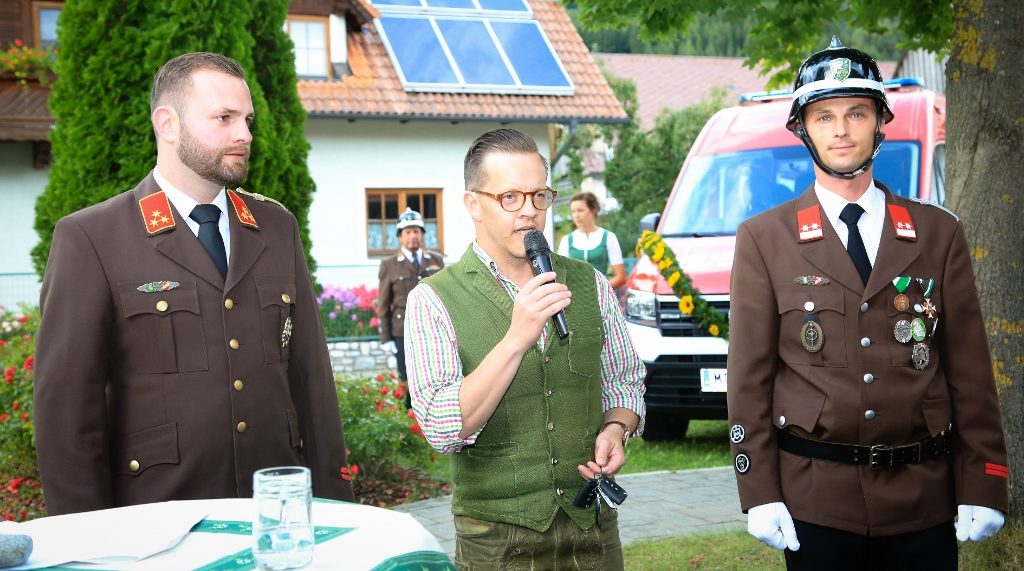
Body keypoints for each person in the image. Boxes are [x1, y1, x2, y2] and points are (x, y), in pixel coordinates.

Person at [726, 37, 1008, 569]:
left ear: (880, 123)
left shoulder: (937, 233)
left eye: (856, 113)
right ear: (802, 129)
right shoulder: (765, 238)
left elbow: (970, 373)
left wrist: (985, 480)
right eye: (824, 116)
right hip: (816, 500)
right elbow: (749, 380)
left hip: (923, 499)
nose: (841, 129)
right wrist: (758, 489)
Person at [34, 52, 355, 515]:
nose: (244, 134)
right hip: (158, 518)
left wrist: (336, 508)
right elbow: (67, 413)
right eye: (224, 118)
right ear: (168, 124)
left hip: (277, 512)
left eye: (247, 120)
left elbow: (311, 378)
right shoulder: (94, 237)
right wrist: (88, 538)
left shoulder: (275, 226)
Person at [404, 128, 646, 569]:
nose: (530, 211)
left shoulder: (590, 283)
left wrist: (616, 429)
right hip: (496, 539)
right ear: (473, 203)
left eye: (539, 196)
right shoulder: (433, 298)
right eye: (510, 197)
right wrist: (516, 338)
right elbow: (442, 427)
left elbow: (624, 381)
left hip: (591, 523)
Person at [377, 207, 444, 385]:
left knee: (434, 378)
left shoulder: (436, 260)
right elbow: (383, 304)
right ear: (400, 236)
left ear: (422, 234)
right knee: (407, 381)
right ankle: (407, 405)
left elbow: (445, 297)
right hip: (402, 331)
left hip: (432, 329)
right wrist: (386, 338)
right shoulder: (389, 265)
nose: (412, 236)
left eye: (416, 231)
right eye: (407, 232)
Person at [557, 191, 626, 289]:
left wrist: (600, 290)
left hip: (601, 295)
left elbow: (621, 277)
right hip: (575, 295)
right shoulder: (566, 240)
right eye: (573, 211)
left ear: (593, 210)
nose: (576, 215)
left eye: (580, 210)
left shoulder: (609, 237)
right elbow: (560, 276)